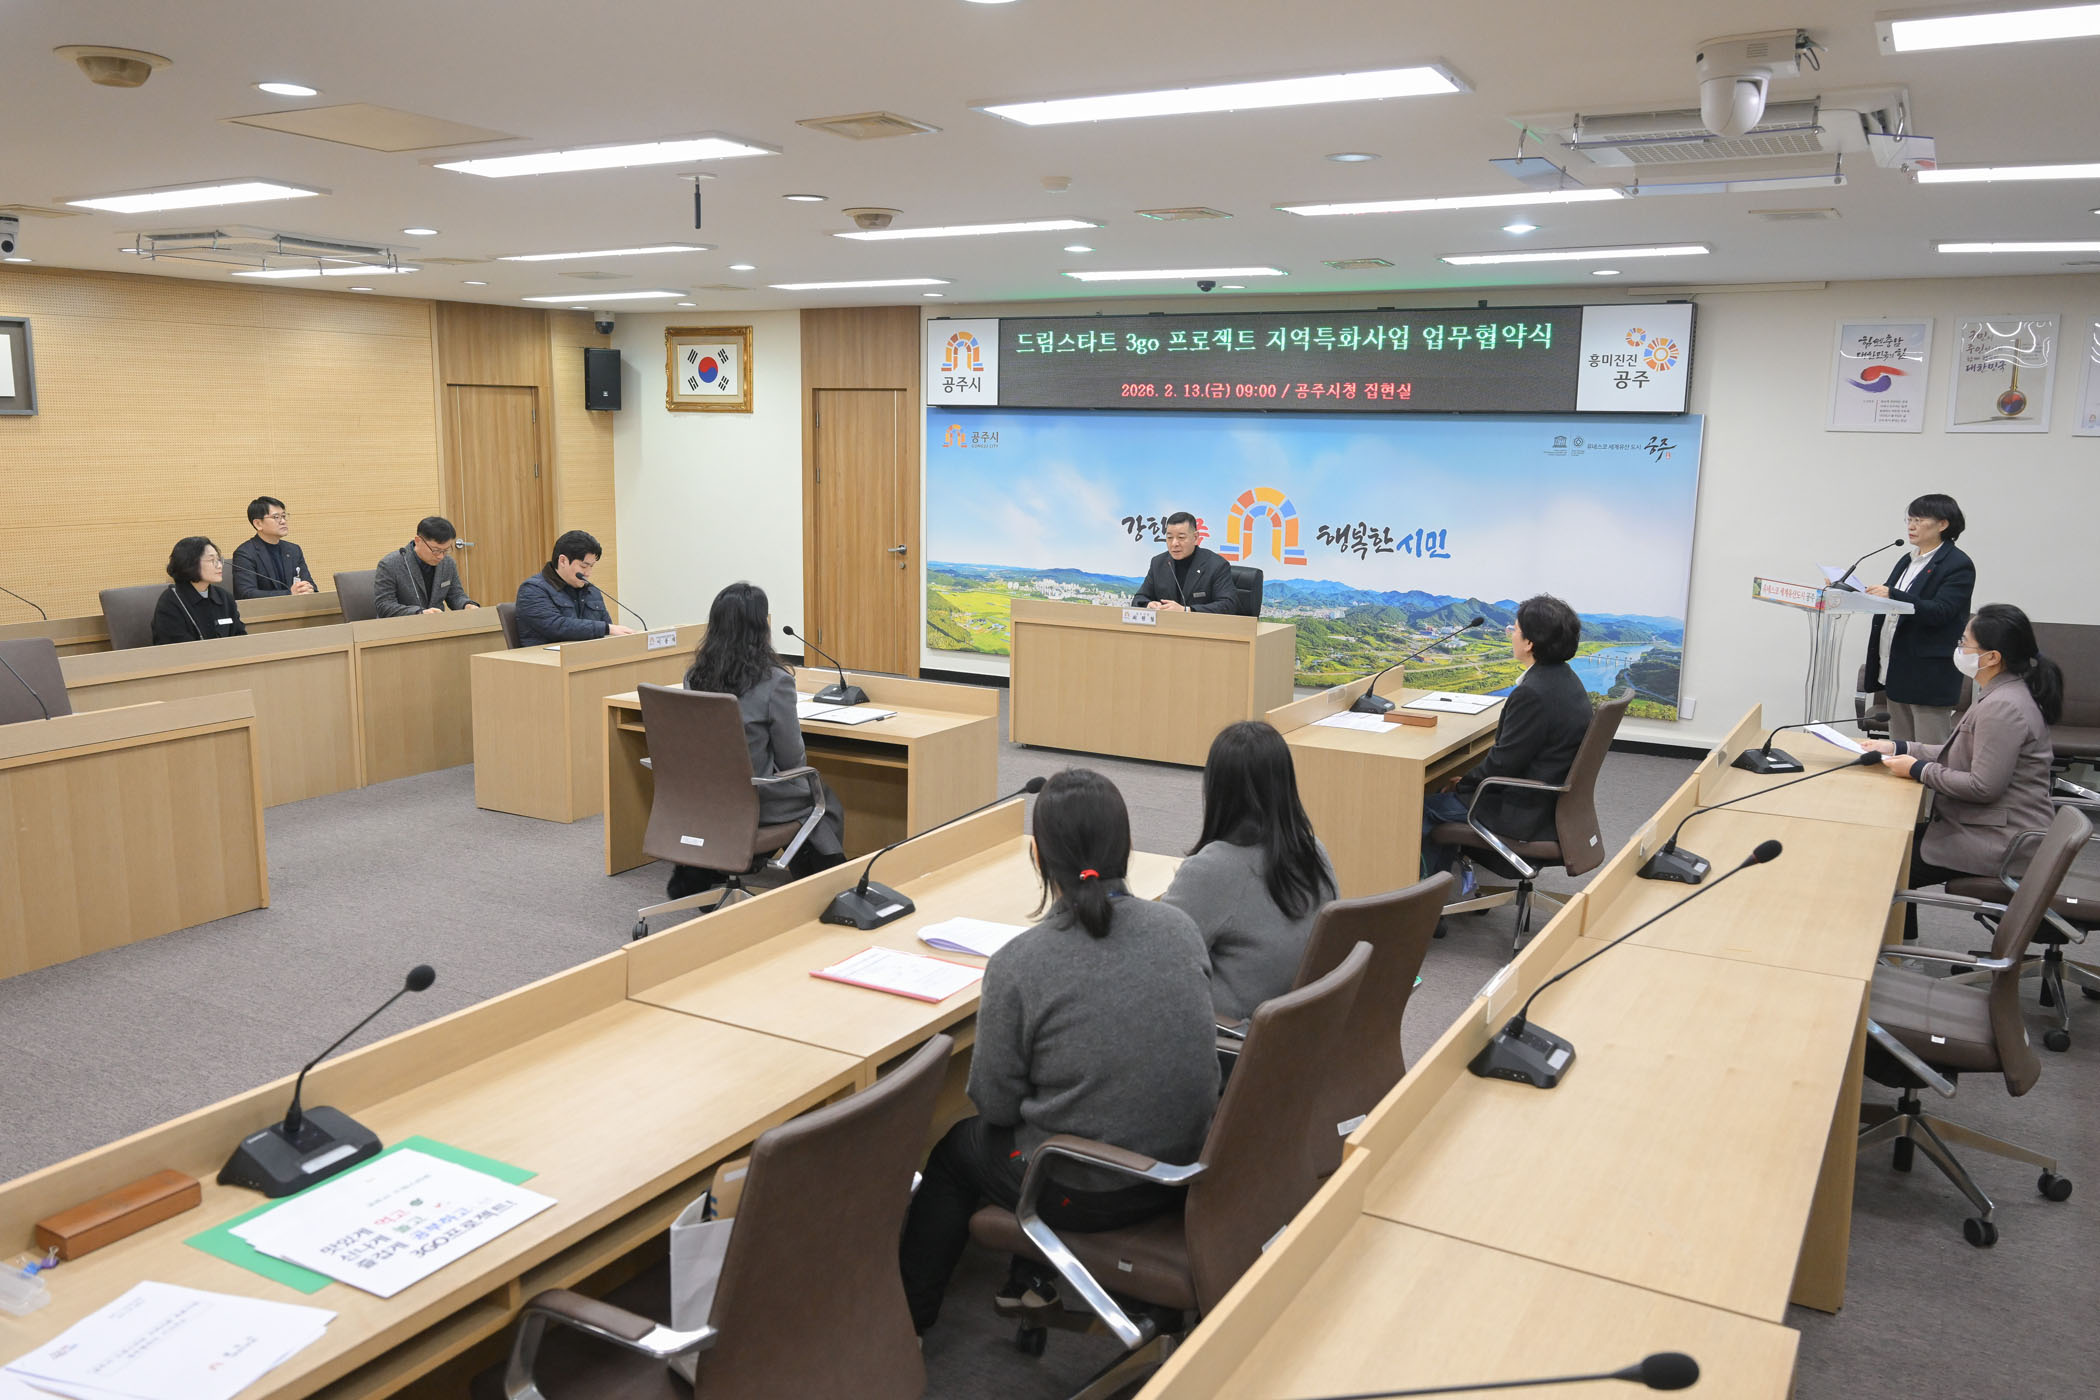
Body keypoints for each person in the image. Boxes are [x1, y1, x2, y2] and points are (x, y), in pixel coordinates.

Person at [898, 767, 1219, 1333]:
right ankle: (1023, 1279)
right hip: (1184, 1172)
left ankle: (907, 1326)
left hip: (1089, 1191)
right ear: (1126, 848)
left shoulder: (1021, 962)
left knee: (956, 1149)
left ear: (1038, 858)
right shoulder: (1180, 928)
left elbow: (995, 1106)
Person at [1865, 603, 2060, 941]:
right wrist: (1900, 748)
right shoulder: (2002, 693)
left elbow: (1983, 786)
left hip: (2000, 838)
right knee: (1891, 841)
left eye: (1964, 643)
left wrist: (1918, 770)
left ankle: (1894, 952)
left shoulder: (2003, 706)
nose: (1958, 649)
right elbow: (1961, 754)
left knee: (1884, 858)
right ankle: (1899, 946)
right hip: (1985, 825)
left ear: (1992, 657)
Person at [670, 582, 843, 897]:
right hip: (754, 801)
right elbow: (792, 761)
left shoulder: (694, 676)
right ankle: (823, 890)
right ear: (761, 626)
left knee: (806, 795)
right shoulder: (775, 682)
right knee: (821, 797)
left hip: (703, 801)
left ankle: (706, 869)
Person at [1161, 720, 1337, 1024]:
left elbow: (1157, 958)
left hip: (1232, 1034)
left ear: (1216, 787)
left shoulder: (1213, 869)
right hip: (1299, 1027)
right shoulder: (1313, 850)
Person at [1421, 594, 1591, 893]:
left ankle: (1423, 901)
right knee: (1446, 792)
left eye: (1515, 629)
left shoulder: (1533, 694)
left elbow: (1502, 763)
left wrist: (1465, 784)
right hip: (1552, 801)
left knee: (1423, 809)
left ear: (1529, 643)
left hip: (1522, 811)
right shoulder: (1567, 681)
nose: (1510, 634)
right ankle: (1442, 888)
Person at [1863, 493, 1975, 746]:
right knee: (1900, 749)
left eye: (1919, 520)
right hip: (1897, 667)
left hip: (1928, 674)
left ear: (1943, 524)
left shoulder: (1957, 564)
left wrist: (1893, 594)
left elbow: (1941, 611)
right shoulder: (1908, 559)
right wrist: (1851, 591)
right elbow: (1890, 600)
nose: (1911, 526)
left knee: (1929, 752)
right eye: (1909, 519)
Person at [513, 530, 632, 646]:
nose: (588, 573)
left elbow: (607, 631)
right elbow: (557, 627)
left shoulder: (591, 591)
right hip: (547, 657)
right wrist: (606, 629)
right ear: (563, 561)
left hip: (588, 655)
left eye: (591, 566)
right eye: (583, 566)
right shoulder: (532, 590)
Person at [1131, 511, 1239, 614]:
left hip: (1201, 626)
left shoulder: (1216, 565)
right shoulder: (1158, 563)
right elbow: (1139, 598)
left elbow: (1228, 605)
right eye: (1169, 537)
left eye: (1181, 537)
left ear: (1195, 538)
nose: (1174, 543)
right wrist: (1148, 605)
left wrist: (1187, 610)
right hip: (1166, 625)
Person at [373, 516, 479, 617]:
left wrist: (467, 605)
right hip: (401, 626)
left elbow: (455, 595)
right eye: (436, 550)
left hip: (437, 625)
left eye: (446, 550)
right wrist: (419, 613)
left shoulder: (448, 563)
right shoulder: (390, 564)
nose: (441, 556)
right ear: (418, 541)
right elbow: (384, 606)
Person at [151, 537, 246, 646]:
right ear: (190, 563)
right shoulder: (170, 602)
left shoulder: (224, 597)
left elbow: (240, 636)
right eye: (211, 560)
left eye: (219, 559)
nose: (219, 565)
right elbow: (177, 648)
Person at [228, 497, 316, 599]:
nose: (283, 521)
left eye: (284, 516)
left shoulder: (294, 550)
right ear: (258, 524)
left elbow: (310, 584)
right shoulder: (245, 553)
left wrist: (309, 589)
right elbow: (246, 594)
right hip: (263, 609)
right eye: (276, 517)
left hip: (296, 607)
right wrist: (289, 594)